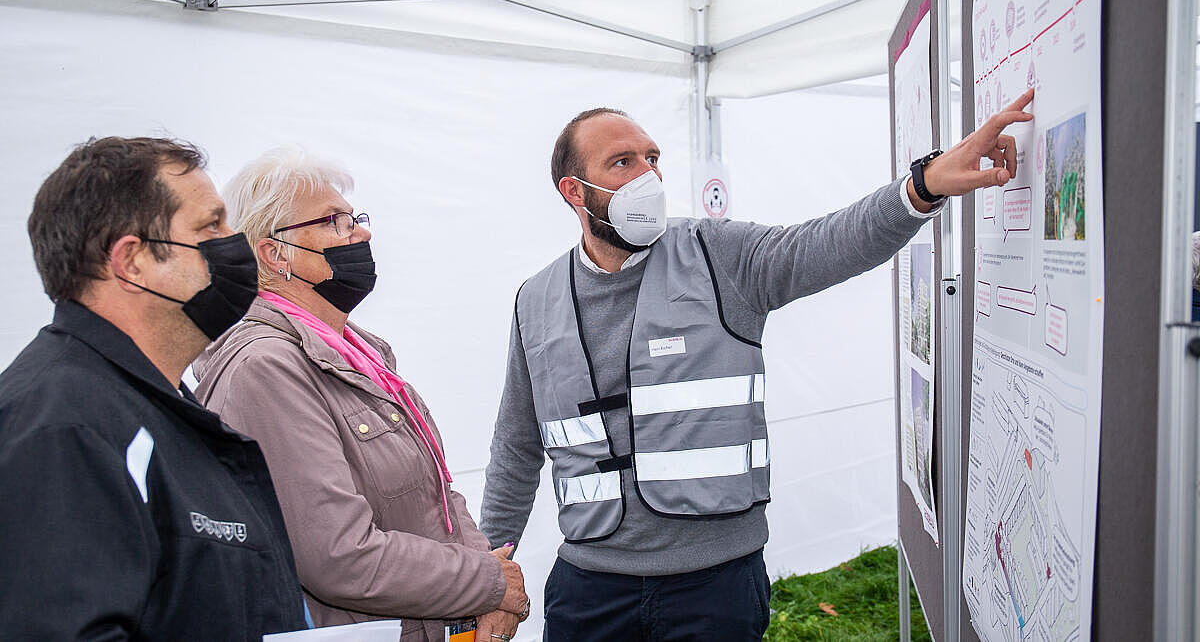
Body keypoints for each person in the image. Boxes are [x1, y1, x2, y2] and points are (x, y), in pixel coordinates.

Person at [480, 91, 1036, 640]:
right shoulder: (536, 299)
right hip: (589, 590)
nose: (647, 175)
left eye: (653, 159)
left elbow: (824, 245)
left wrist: (923, 186)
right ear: (575, 191)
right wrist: (485, 578)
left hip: (715, 588)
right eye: (622, 163)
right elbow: (516, 445)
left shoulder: (715, 254)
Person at [193, 146, 529, 642]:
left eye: (356, 219)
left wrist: (487, 580)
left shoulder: (360, 353)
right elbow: (338, 555)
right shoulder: (265, 368)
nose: (362, 234)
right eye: (336, 222)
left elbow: (435, 492)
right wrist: (487, 584)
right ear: (274, 253)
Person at [0, 137, 307, 638]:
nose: (237, 241)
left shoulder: (158, 407)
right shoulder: (64, 427)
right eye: (211, 225)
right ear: (132, 262)